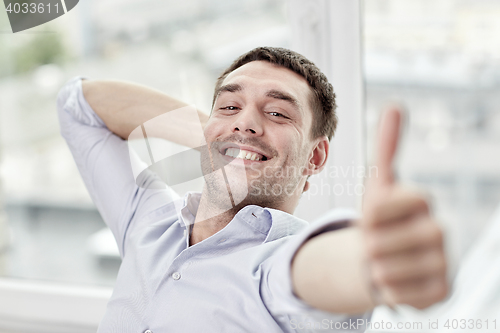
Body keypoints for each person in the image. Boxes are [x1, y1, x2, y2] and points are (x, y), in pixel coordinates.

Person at [57, 47, 447, 332]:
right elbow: (77, 106)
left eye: (277, 113)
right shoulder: (151, 223)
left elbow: (323, 270)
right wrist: (225, 139)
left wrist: (370, 262)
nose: (246, 121)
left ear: (315, 157)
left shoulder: (277, 267)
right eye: (228, 105)